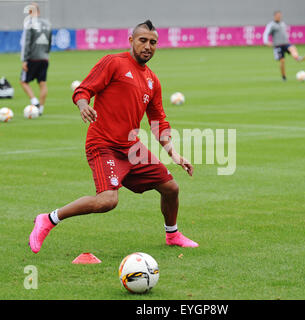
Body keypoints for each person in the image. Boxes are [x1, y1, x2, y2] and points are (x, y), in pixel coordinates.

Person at [29, 20, 199, 253]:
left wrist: (174, 153)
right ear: (131, 40)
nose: (148, 46)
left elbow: (158, 120)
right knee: (108, 200)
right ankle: (48, 219)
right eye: (143, 41)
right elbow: (83, 90)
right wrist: (82, 105)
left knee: (171, 188)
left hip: (131, 148)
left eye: (153, 42)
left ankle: (173, 235)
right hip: (103, 145)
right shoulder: (113, 63)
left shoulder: (152, 80)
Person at [20, 2, 52, 115]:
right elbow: (49, 42)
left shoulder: (30, 23)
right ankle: (41, 109)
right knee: (42, 84)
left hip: (32, 58)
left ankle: (34, 102)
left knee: (23, 81)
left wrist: (24, 59)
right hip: (44, 58)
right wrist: (46, 54)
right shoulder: (47, 24)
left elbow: (26, 43)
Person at [263, 10, 305, 81]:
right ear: (275, 16)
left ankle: (297, 58)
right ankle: (284, 77)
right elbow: (266, 33)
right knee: (282, 61)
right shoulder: (271, 25)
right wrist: (266, 42)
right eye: (278, 16)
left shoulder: (282, 23)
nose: (279, 17)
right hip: (278, 46)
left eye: (280, 15)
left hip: (286, 43)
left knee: (292, 48)